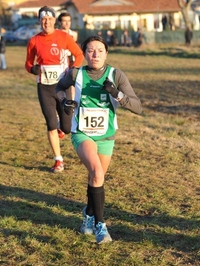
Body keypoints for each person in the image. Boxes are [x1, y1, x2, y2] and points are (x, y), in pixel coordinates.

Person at [55, 35, 142, 244]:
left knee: (97, 178)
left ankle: (88, 214)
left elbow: (138, 107)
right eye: (91, 50)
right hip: (82, 133)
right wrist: (64, 102)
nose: (95, 54)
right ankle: (100, 226)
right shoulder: (76, 73)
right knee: (96, 171)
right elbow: (57, 89)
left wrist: (117, 94)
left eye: (100, 50)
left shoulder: (116, 75)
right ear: (84, 54)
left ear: (106, 53)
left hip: (106, 135)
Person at [25, 6, 84, 173]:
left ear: (53, 20)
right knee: (50, 123)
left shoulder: (64, 37)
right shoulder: (34, 40)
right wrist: (32, 69)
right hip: (44, 86)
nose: (46, 22)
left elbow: (79, 55)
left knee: (66, 127)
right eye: (43, 19)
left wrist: (72, 70)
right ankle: (58, 160)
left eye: (49, 19)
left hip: (62, 86)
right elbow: (28, 63)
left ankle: (61, 128)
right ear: (39, 21)